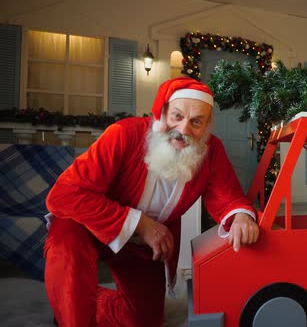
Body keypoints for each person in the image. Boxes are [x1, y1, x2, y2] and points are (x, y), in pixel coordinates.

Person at [43, 77, 259, 327]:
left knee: (142, 320)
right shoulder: (123, 134)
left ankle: (83, 302)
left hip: (143, 245)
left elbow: (228, 196)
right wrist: (141, 224)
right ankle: (70, 314)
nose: (184, 129)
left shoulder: (211, 151)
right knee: (66, 248)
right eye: (177, 116)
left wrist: (241, 216)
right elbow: (65, 193)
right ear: (162, 112)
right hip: (87, 227)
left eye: (196, 122)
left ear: (206, 126)